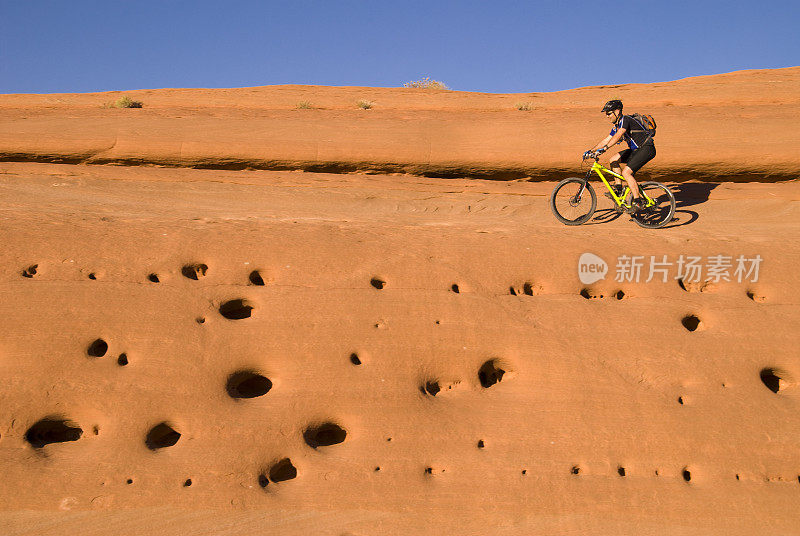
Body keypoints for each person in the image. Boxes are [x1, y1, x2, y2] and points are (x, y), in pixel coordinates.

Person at [584, 99, 656, 211]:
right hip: (635, 150)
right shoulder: (616, 126)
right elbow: (607, 139)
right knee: (613, 160)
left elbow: (619, 135)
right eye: (606, 114)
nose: (607, 116)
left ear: (617, 111)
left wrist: (606, 148)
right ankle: (618, 188)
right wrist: (591, 151)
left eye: (609, 113)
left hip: (646, 148)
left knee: (626, 172)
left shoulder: (625, 120)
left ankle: (638, 201)